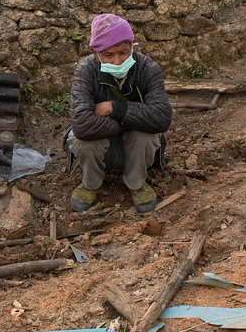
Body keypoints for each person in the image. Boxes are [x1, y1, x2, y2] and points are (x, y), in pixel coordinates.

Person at [66, 13, 173, 213]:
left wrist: (114, 108)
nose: (117, 61)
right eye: (108, 55)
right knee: (81, 140)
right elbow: (81, 124)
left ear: (132, 46)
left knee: (145, 137)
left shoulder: (148, 68)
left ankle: (137, 183)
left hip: (129, 138)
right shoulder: (86, 71)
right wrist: (129, 121)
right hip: (103, 137)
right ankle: (90, 184)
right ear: (95, 52)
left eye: (123, 52)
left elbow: (162, 117)